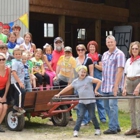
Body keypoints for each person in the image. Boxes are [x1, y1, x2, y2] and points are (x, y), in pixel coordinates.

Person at [55, 65, 101, 137]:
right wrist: (59, 94)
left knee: (92, 116)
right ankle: (76, 130)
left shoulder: (89, 79)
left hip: (91, 101)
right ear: (78, 72)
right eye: (81, 72)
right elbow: (68, 88)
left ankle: (97, 129)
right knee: (80, 116)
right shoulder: (75, 82)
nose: (83, 73)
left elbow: (99, 81)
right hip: (82, 102)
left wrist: (95, 90)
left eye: (85, 72)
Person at [101, 35, 125, 134]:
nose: (110, 43)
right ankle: (116, 126)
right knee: (106, 106)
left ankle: (112, 128)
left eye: (111, 42)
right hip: (105, 85)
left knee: (112, 106)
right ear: (106, 43)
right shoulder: (105, 54)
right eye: (108, 42)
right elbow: (104, 70)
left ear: (115, 42)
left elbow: (120, 71)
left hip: (113, 85)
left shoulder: (119, 54)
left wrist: (116, 86)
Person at [122, 41, 140, 138]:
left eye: (136, 48)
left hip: (138, 81)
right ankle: (133, 127)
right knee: (131, 107)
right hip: (129, 81)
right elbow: (125, 75)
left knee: (138, 108)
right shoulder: (128, 61)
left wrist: (138, 88)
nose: (134, 50)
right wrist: (124, 87)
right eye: (133, 48)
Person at [87, 40, 106, 123]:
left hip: (98, 80)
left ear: (95, 48)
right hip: (88, 80)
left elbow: (102, 68)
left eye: (93, 47)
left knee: (99, 99)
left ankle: (102, 118)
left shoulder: (99, 56)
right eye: (90, 47)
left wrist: (94, 64)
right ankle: (89, 118)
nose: (92, 48)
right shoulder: (86, 56)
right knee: (89, 100)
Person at [75, 44, 93, 126]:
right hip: (78, 82)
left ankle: (86, 119)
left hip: (86, 82)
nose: (80, 51)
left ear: (85, 50)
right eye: (78, 50)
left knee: (87, 101)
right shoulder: (75, 60)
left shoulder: (89, 59)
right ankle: (81, 118)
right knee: (79, 102)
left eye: (82, 49)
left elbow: (91, 72)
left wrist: (90, 82)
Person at [10, 48, 26, 116]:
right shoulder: (15, 62)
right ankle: (17, 107)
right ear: (13, 55)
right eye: (16, 54)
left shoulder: (20, 62)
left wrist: (22, 82)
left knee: (23, 92)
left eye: (19, 54)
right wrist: (19, 82)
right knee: (20, 93)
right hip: (15, 82)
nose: (18, 55)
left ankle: (18, 108)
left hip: (21, 81)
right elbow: (14, 73)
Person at [0, 53, 10, 132]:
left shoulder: (8, 69)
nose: (1, 61)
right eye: (0, 60)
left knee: (5, 107)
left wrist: (4, 95)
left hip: (3, 91)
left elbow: (8, 83)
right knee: (0, 107)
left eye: (3, 59)